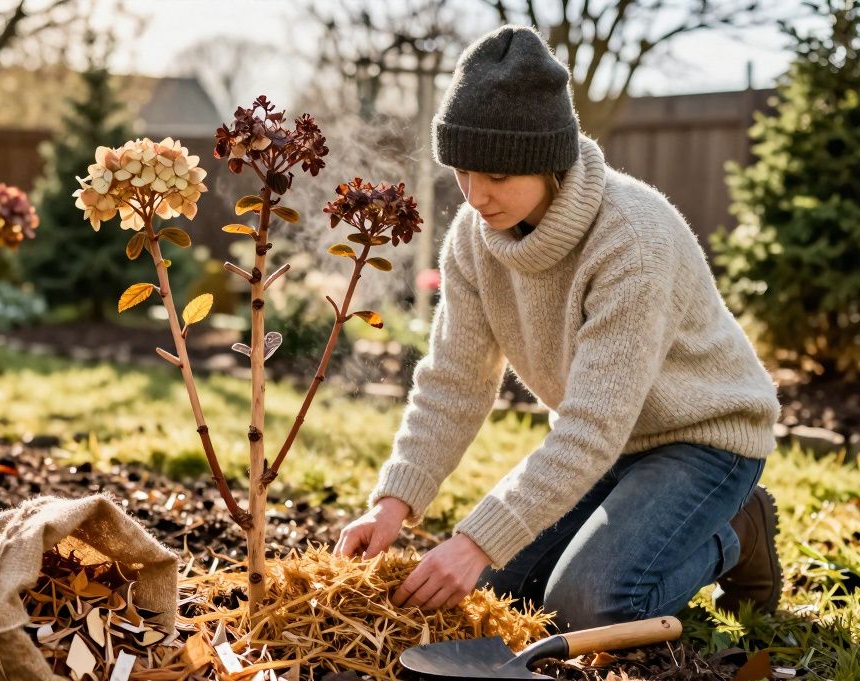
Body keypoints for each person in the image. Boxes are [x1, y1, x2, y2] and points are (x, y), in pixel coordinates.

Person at [334, 25, 783, 631]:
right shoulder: (474, 238)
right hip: (612, 445)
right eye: (464, 172)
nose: (477, 196)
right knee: (503, 593)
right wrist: (394, 502)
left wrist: (473, 541)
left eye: (497, 176)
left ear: (547, 161)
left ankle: (737, 530)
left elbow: (590, 427)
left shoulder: (633, 240)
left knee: (588, 606)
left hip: (704, 439)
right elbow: (453, 381)